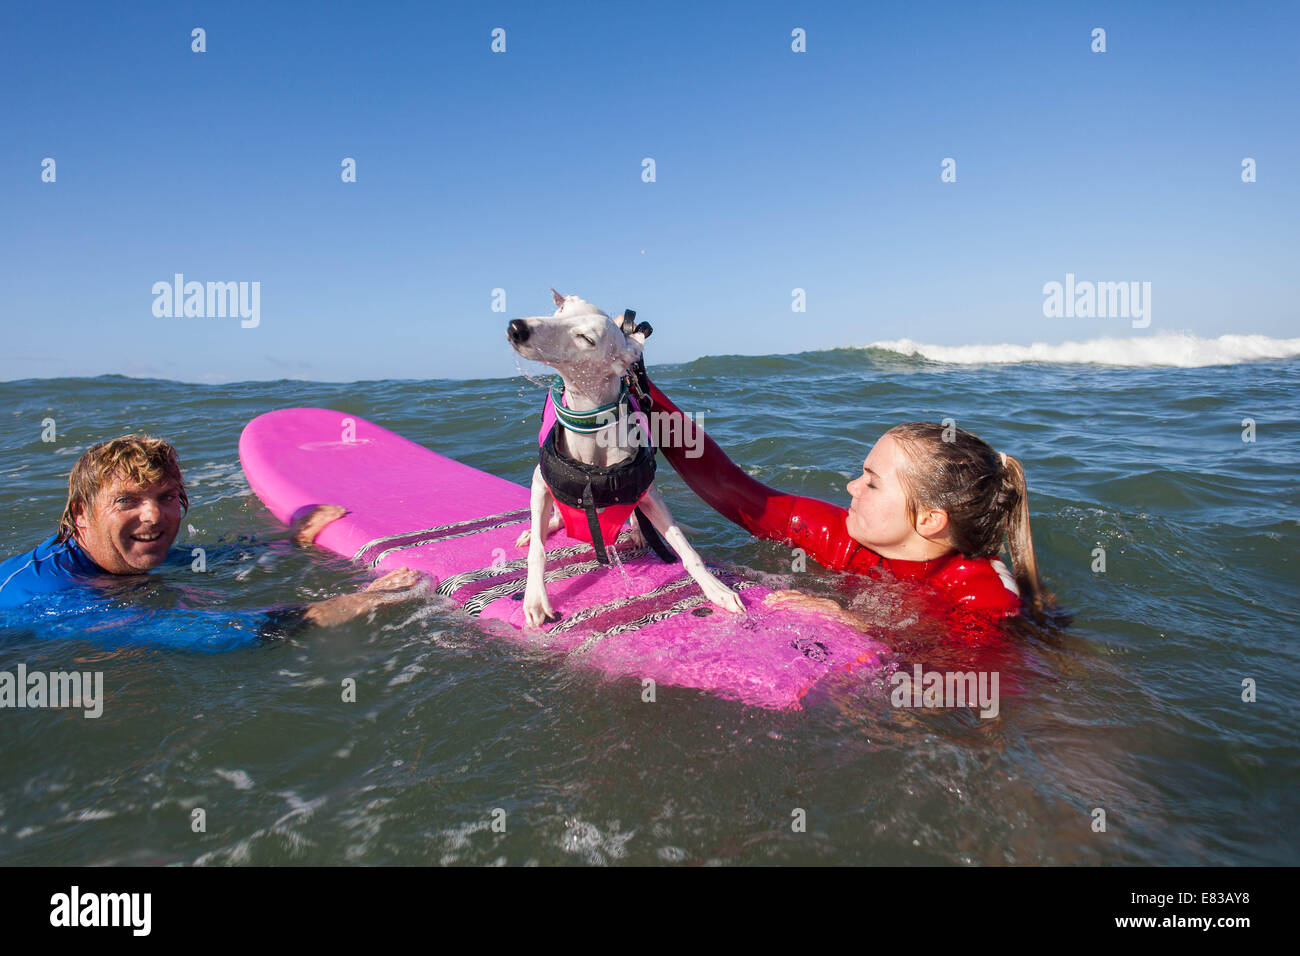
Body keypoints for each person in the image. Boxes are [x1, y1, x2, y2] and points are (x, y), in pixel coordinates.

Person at [643, 381, 1049, 642]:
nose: (851, 487)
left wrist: (861, 628)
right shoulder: (847, 536)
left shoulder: (984, 598)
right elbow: (732, 491)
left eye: (872, 482)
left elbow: (976, 690)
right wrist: (641, 392)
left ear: (928, 519)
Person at [0, 434, 422, 642]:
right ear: (81, 515)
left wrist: (288, 542)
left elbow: (206, 557)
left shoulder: (121, 555)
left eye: (165, 497)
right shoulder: (55, 594)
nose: (152, 516)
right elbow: (218, 635)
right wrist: (360, 600)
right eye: (127, 501)